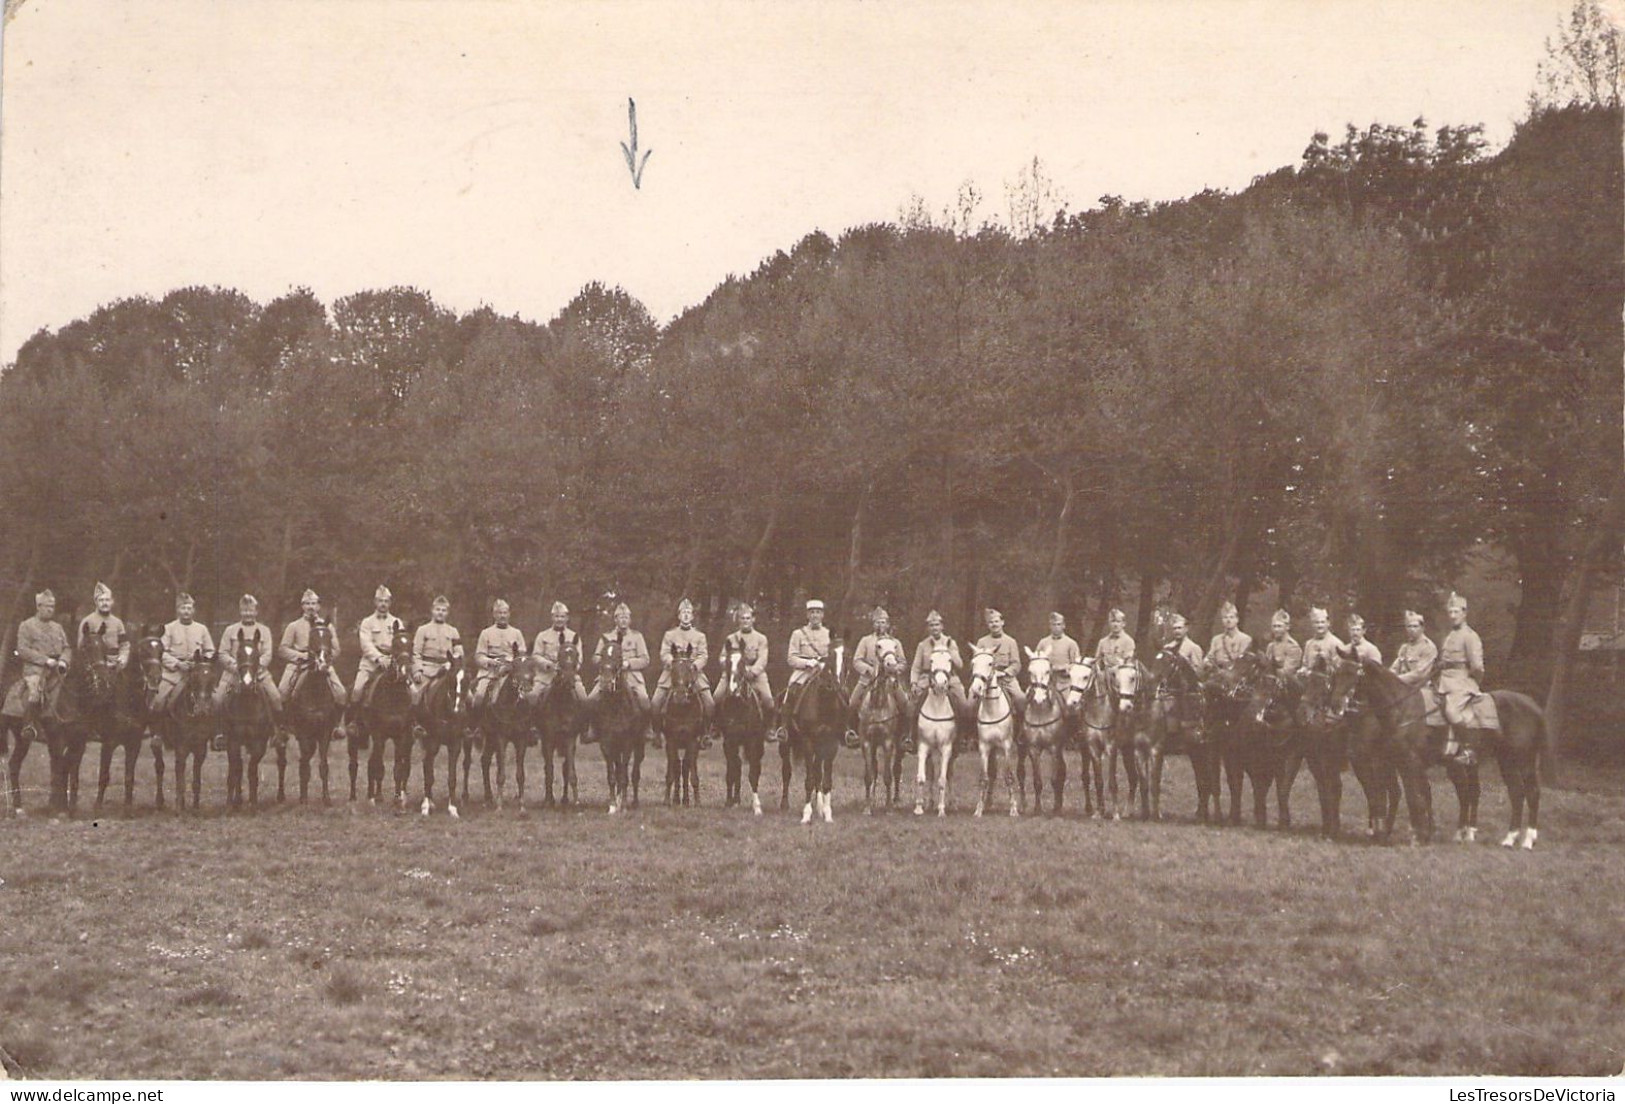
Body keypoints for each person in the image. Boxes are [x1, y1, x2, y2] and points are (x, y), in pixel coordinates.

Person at [1438, 592, 1495, 765]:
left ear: (1464, 613)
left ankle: (1468, 748)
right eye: (1451, 612)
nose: (1453, 616)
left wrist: (1473, 683)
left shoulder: (1470, 636)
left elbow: (1477, 666)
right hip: (1443, 680)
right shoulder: (1450, 636)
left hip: (1462, 682)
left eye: (1456, 612)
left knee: (1451, 709)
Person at [1, 589, 71, 728]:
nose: (51, 610)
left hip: (58, 668)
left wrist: (64, 660)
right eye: (47, 606)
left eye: (52, 606)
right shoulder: (27, 625)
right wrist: (45, 660)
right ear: (38, 606)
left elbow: (67, 647)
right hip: (35, 670)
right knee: (35, 693)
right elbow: (22, 649)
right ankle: (29, 726)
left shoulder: (57, 627)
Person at [652, 598, 714, 749]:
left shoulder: (700, 636)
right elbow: (664, 653)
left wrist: (695, 666)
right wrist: (672, 663)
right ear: (679, 616)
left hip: (693, 673)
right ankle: (657, 733)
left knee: (710, 702)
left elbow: (703, 655)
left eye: (688, 613)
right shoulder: (670, 635)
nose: (686, 616)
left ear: (692, 616)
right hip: (672, 672)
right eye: (683, 613)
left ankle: (706, 733)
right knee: (655, 702)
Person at [586, 602, 653, 739]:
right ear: (615, 620)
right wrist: (605, 662)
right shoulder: (606, 637)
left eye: (626, 617)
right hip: (608, 675)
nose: (623, 620)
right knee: (591, 699)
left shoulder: (637, 637)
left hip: (632, 676)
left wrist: (628, 663)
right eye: (620, 617)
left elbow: (645, 659)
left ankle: (647, 728)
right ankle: (592, 728)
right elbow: (596, 657)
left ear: (630, 620)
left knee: (644, 699)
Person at [909, 609, 967, 752]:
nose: (934, 628)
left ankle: (963, 737)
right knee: (911, 703)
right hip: (928, 677)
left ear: (942, 626)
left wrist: (950, 652)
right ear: (928, 628)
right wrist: (914, 683)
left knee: (963, 702)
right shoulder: (922, 645)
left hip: (949, 677)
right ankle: (910, 736)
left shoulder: (950, 642)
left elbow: (959, 664)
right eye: (931, 625)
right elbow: (916, 667)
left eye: (937, 625)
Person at [277, 589, 346, 708]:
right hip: (299, 664)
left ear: (318, 606)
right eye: (307, 604)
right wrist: (302, 656)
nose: (311, 607)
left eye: (313, 604)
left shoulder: (327, 626)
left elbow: (336, 649)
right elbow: (283, 649)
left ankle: (340, 724)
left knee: (341, 693)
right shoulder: (293, 626)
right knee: (282, 691)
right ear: (302, 606)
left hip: (322, 663)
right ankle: (284, 724)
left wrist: (324, 659)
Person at [215, 594, 281, 714]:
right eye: (245, 610)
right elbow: (222, 653)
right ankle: (218, 731)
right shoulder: (230, 630)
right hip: (233, 673)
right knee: (218, 699)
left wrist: (254, 667)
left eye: (251, 610)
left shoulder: (264, 630)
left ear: (256, 612)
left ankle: (279, 729)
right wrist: (236, 667)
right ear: (240, 611)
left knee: (276, 697)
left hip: (259, 673)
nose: (248, 614)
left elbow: (267, 654)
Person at [775, 599, 831, 741]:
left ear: (822, 615)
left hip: (823, 671)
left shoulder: (828, 633)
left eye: (818, 612)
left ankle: (844, 728)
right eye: (812, 613)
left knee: (839, 692)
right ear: (807, 615)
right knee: (790, 690)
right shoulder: (798, 634)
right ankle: (784, 727)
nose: (815, 616)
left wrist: (825, 664)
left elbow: (833, 656)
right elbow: (791, 658)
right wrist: (807, 663)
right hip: (803, 671)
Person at [850, 607, 908, 741]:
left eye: (883, 622)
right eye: (877, 622)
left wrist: (895, 668)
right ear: (873, 624)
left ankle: (905, 735)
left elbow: (903, 662)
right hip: (868, 679)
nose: (880, 625)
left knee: (904, 702)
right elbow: (857, 660)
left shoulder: (895, 642)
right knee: (852, 702)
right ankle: (853, 732)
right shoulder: (865, 641)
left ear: (887, 624)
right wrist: (869, 670)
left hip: (890, 679)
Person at [153, 592, 215, 713]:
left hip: (197, 672)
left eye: (189, 608)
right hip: (173, 673)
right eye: (183, 608)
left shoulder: (202, 629)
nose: (186, 611)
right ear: (178, 610)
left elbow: (210, 651)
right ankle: (157, 730)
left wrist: (201, 661)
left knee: (215, 700)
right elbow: (161, 652)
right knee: (159, 700)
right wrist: (177, 664)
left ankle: (215, 730)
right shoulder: (168, 628)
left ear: (193, 610)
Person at [713, 602, 774, 723]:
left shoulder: (761, 638)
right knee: (716, 696)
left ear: (753, 619)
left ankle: (769, 728)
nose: (745, 621)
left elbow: (763, 658)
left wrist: (753, 672)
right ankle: (714, 727)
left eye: (748, 618)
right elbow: (723, 656)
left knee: (768, 699)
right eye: (742, 618)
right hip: (733, 673)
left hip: (754, 673)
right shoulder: (730, 638)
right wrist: (729, 666)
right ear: (738, 620)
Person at [524, 601, 589, 707]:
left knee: (583, 698)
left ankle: (584, 723)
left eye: (562, 617)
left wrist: (572, 668)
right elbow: (535, 655)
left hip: (569, 674)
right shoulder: (543, 635)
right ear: (552, 617)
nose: (559, 619)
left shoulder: (574, 636)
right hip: (546, 675)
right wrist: (547, 664)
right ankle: (533, 723)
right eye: (557, 616)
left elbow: (579, 658)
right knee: (533, 696)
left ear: (567, 618)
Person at [469, 599, 527, 719]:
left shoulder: (517, 633)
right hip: (490, 671)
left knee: (527, 696)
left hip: (512, 670)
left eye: (505, 613)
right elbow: (479, 656)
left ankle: (527, 727)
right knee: (479, 695)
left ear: (509, 614)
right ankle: (475, 727)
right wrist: (490, 662)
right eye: (499, 613)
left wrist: (512, 665)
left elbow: (522, 656)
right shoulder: (486, 633)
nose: (502, 616)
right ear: (494, 615)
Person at [353, 585, 404, 709]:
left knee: (412, 690)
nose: (383, 604)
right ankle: (352, 721)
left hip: (393, 662)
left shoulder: (397, 622)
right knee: (357, 689)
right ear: (375, 602)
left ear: (390, 603)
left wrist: (393, 658)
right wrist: (379, 658)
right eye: (380, 601)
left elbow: (401, 643)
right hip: (371, 663)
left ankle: (413, 722)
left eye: (386, 601)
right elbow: (366, 644)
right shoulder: (367, 622)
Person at [973, 608, 1026, 726]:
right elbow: (976, 663)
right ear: (987, 625)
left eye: (996, 621)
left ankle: (1020, 730)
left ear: (1002, 622)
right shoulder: (982, 642)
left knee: (1021, 699)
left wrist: (1005, 672)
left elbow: (1016, 664)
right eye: (991, 622)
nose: (994, 624)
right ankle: (972, 734)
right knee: (970, 702)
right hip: (985, 679)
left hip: (1006, 679)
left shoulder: (1010, 641)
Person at [410, 595, 464, 707]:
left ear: (447, 613)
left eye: (444, 610)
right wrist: (417, 671)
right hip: (427, 670)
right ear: (432, 610)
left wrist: (453, 663)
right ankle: (413, 723)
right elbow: (416, 653)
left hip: (446, 669)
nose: (440, 613)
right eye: (438, 609)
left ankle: (466, 723)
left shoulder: (453, 631)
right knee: (415, 695)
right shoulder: (423, 630)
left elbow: (459, 652)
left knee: (465, 695)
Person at [78, 581, 130, 668]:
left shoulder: (118, 623)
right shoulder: (87, 621)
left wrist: (122, 658)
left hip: (115, 664)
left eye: (107, 600)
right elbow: (81, 647)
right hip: (95, 666)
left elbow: (124, 645)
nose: (104, 603)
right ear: (96, 602)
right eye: (101, 600)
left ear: (112, 602)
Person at [1033, 612, 1082, 693]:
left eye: (1058, 624)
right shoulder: (1043, 642)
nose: (1056, 627)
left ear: (1064, 626)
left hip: (1064, 683)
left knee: (1068, 703)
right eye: (1053, 624)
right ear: (1050, 626)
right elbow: (1035, 661)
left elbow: (1076, 665)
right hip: (1045, 682)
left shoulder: (1071, 643)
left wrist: (1063, 667)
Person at [1390, 610, 1438, 688]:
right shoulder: (1404, 648)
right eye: (1409, 626)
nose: (1412, 629)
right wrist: (1389, 677)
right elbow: (1395, 668)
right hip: (1403, 688)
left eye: (1415, 626)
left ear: (1422, 628)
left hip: (1421, 688)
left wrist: (1396, 680)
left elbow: (1420, 674)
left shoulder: (1428, 647)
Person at [1297, 606, 1345, 682]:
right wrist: (1302, 671)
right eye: (1317, 622)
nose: (1320, 625)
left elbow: (1340, 670)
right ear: (1312, 624)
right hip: (1310, 684)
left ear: (1328, 624)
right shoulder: (1308, 644)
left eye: (1322, 622)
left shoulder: (1336, 643)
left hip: (1329, 685)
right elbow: (1305, 665)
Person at [1205, 601, 1252, 674]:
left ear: (1237, 620)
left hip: (1236, 677)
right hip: (1218, 674)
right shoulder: (1216, 639)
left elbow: (1243, 662)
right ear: (1222, 620)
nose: (1228, 620)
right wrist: (1207, 662)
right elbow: (1209, 657)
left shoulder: (1245, 639)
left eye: (1231, 617)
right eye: (1225, 617)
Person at [1262, 609, 1303, 675]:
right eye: (1274, 626)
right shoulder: (1271, 646)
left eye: (1279, 626)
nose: (1276, 630)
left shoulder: (1292, 647)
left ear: (1287, 627)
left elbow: (1287, 673)